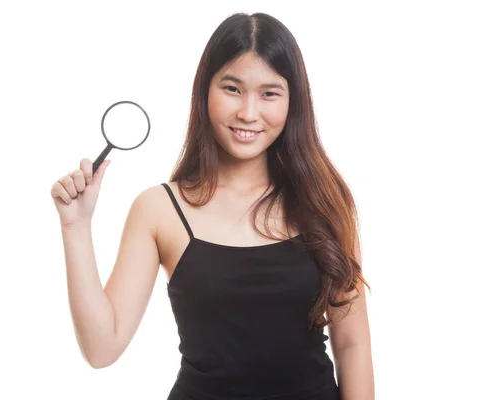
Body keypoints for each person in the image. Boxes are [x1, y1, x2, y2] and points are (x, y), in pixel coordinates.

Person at [50, 12, 374, 400]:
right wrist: (76, 227)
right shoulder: (159, 209)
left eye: (269, 93)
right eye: (232, 89)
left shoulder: (326, 201)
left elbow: (353, 345)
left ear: (293, 102)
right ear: (205, 92)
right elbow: (102, 349)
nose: (248, 113)